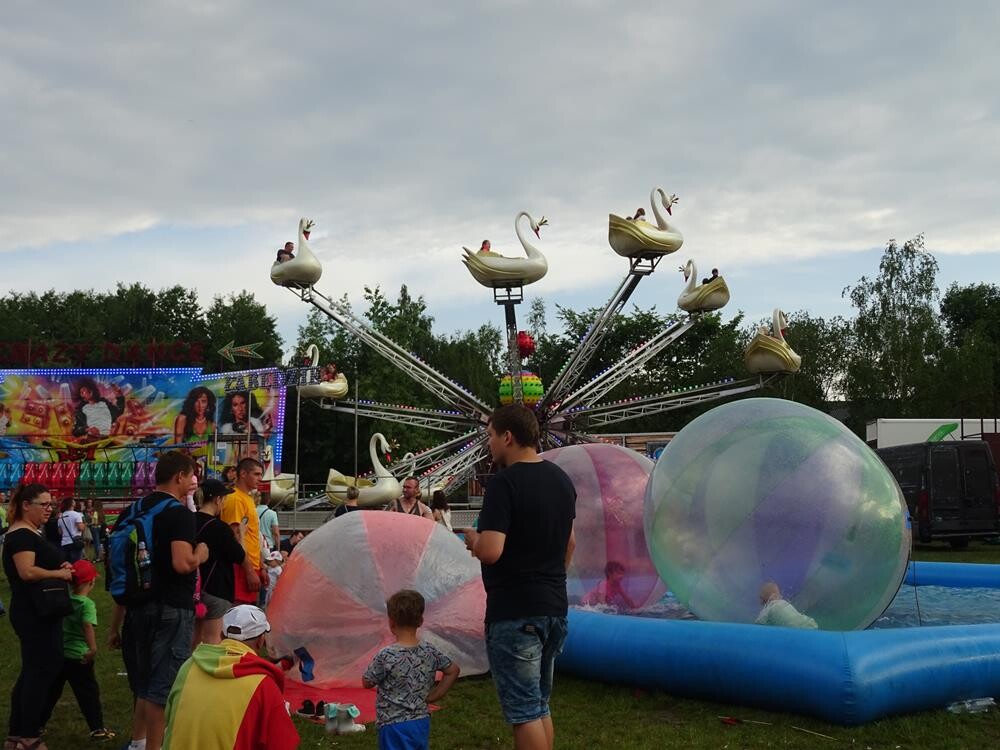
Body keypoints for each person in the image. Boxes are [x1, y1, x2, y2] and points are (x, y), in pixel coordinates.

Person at [464, 404, 576, 750]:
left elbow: (492, 550)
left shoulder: (504, 484)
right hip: (554, 607)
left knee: (523, 712)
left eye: (491, 436)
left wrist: (473, 540)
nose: (490, 444)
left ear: (508, 436)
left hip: (515, 612)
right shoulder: (561, 480)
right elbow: (569, 544)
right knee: (539, 703)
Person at [108, 450, 209, 750]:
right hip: (171, 609)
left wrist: (115, 625)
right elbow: (182, 562)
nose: (193, 480)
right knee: (161, 689)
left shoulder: (132, 510)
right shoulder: (177, 513)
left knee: (143, 684)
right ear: (179, 476)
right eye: (191, 474)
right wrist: (201, 552)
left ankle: (137, 743)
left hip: (136, 608)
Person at [162, 605, 299, 750]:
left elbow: (169, 718)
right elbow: (283, 744)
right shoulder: (263, 685)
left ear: (221, 635)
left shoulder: (189, 666)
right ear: (261, 640)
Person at [3, 483, 74, 750]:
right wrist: (60, 574)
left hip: (41, 609)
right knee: (40, 670)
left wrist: (59, 564)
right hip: (33, 612)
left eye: (51, 504)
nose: (49, 509)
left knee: (36, 669)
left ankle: (17, 733)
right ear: (25, 505)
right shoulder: (21, 535)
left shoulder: (31, 532)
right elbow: (27, 572)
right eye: (43, 504)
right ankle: (29, 735)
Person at [363, 590, 460, 749]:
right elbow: (453, 670)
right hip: (420, 721)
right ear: (420, 621)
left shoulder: (386, 655)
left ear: (391, 622)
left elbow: (367, 682)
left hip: (392, 724)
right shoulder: (429, 650)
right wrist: (435, 695)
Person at [39, 559, 116, 741]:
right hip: (80, 657)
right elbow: (87, 626)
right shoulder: (86, 604)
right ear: (91, 582)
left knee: (51, 692)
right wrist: (92, 648)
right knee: (88, 693)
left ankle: (37, 725)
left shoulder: (64, 599)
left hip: (61, 653)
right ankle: (97, 729)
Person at [193, 479, 247, 647]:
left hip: (194, 589)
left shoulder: (188, 521)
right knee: (213, 640)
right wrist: (241, 536)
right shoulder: (220, 527)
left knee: (194, 640)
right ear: (217, 500)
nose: (224, 503)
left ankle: (190, 671)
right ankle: (208, 673)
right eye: (224, 499)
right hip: (217, 589)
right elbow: (239, 555)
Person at [219, 458, 264, 606]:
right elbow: (235, 537)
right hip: (240, 567)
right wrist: (249, 570)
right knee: (239, 616)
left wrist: (261, 566)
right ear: (243, 473)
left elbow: (253, 535)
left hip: (250, 565)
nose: (260, 478)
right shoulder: (235, 498)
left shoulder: (248, 498)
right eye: (256, 474)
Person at [58, 496, 86, 564]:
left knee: (67, 564)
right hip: (75, 542)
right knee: (76, 563)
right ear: (72, 504)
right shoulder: (77, 514)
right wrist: (84, 524)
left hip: (64, 543)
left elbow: (60, 532)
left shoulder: (61, 516)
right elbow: (80, 528)